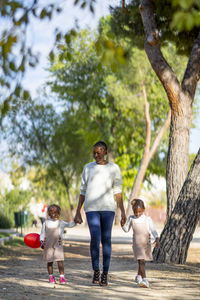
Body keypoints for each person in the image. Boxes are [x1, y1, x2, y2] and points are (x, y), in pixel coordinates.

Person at [74, 141, 126, 286]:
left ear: (105, 152)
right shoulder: (88, 168)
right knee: (95, 239)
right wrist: (78, 210)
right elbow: (82, 191)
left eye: (99, 152)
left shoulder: (113, 168)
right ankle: (96, 270)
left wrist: (122, 212)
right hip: (91, 209)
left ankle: (105, 273)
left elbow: (118, 191)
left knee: (106, 240)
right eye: (94, 153)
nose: (96, 155)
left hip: (108, 209)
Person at [122, 198, 159, 288]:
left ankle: (138, 276)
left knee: (143, 262)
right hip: (137, 244)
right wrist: (122, 225)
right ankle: (144, 279)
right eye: (135, 212)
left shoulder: (147, 219)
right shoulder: (131, 218)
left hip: (146, 243)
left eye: (139, 212)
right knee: (141, 261)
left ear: (143, 210)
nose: (137, 214)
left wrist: (157, 238)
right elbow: (126, 230)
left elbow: (153, 230)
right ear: (133, 210)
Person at [40, 204, 76, 284]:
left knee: (60, 261)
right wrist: (41, 241)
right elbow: (42, 233)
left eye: (58, 213)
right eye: (53, 213)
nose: (56, 215)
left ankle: (62, 277)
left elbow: (70, 225)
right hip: (48, 245)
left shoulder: (61, 222)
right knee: (50, 262)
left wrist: (76, 221)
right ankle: (51, 276)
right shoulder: (46, 223)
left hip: (58, 245)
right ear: (49, 214)